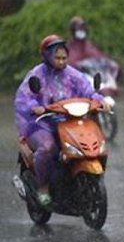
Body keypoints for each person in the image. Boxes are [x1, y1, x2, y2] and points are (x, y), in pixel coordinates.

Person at [14, 35, 111, 206]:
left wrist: (100, 100)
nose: (61, 61)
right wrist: (34, 106)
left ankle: (82, 181)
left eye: (64, 58)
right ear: (47, 56)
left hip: (69, 122)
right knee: (47, 148)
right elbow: (24, 98)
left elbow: (88, 91)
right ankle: (43, 187)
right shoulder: (36, 75)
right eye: (57, 58)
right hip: (42, 124)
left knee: (93, 143)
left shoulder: (73, 75)